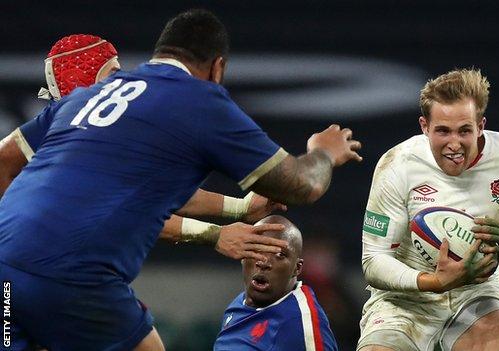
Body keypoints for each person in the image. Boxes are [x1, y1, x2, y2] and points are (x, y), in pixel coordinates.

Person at [0, 9, 361, 351]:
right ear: (217, 68)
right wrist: (323, 152)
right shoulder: (199, 102)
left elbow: (6, 160)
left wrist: (239, 208)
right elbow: (301, 184)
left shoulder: (89, 96)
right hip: (75, 275)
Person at [0, 33, 289, 263]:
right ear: (83, 81)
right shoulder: (76, 140)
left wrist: (239, 208)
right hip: (36, 271)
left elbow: (153, 191)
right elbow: (133, 211)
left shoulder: (71, 129)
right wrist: (215, 235)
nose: (121, 81)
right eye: (112, 72)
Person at [357, 68, 499, 351]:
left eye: (465, 130)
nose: (454, 144)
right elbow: (374, 259)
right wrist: (433, 281)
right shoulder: (397, 164)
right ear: (424, 126)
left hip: (476, 295)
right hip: (403, 300)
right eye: (443, 131)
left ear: (481, 126)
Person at [213, 215, 338, 350]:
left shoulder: (301, 321)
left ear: (297, 268)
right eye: (256, 249)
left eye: (279, 255)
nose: (264, 262)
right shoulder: (238, 303)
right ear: (243, 256)